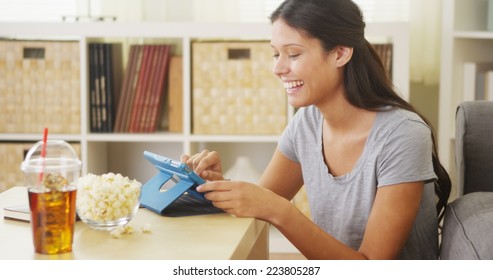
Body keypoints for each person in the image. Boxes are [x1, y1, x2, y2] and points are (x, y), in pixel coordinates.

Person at [181, 0, 451, 260]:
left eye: (294, 54)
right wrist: (216, 185)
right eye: (276, 54)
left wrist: (282, 211)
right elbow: (262, 202)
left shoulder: (403, 136)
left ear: (340, 53)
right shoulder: (306, 124)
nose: (278, 68)